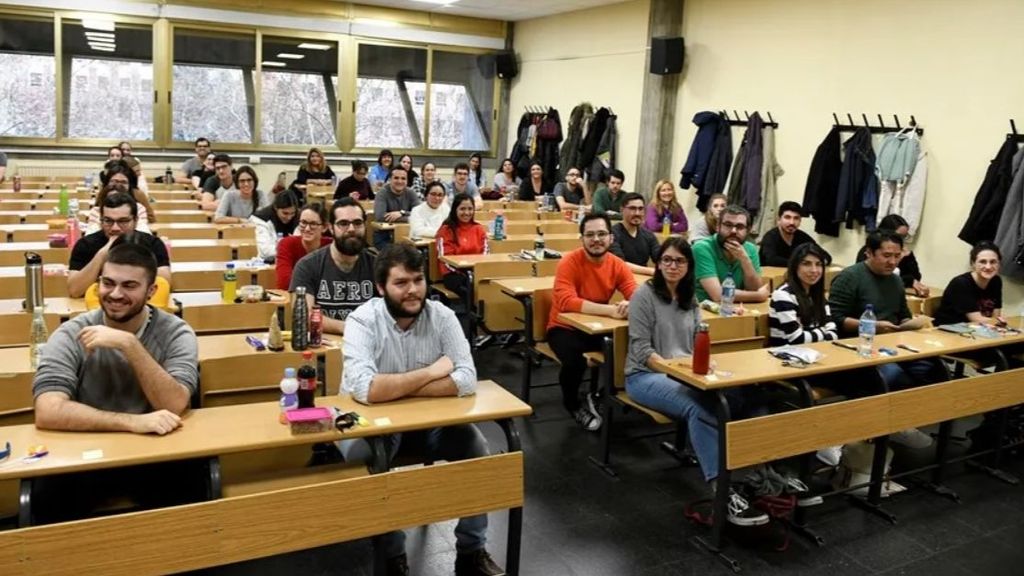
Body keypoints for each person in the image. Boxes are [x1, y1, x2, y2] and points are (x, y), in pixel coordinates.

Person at [341, 243, 505, 576]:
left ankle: (472, 550)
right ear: (381, 287)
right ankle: (392, 553)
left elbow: (467, 379)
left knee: (478, 448)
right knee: (371, 460)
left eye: (418, 280)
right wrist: (431, 372)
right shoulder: (361, 320)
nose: (413, 290)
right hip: (375, 427)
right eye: (401, 283)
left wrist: (396, 387)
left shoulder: (441, 316)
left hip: (429, 424)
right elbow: (366, 389)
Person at [31, 242, 201, 524]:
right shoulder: (71, 332)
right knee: (46, 501)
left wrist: (130, 346)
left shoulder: (176, 332)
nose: (115, 294)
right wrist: (132, 422)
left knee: (190, 493)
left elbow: (175, 404)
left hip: (154, 454)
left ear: (151, 291)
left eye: (129, 286)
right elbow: (47, 410)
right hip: (86, 453)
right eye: (107, 283)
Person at [624, 237, 770, 526]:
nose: (672, 266)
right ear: (658, 263)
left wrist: (707, 367)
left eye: (679, 261)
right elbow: (642, 350)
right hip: (645, 376)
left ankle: (761, 470)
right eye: (667, 260)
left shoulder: (690, 298)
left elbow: (696, 343)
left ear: (688, 265)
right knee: (699, 408)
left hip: (685, 373)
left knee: (748, 396)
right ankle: (722, 492)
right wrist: (676, 370)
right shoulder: (645, 295)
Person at [828, 230, 945, 447]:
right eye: (886, 255)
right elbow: (836, 319)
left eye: (897, 256)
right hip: (856, 346)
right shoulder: (850, 277)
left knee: (933, 368)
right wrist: (873, 325)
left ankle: (900, 420)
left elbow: (902, 315)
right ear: (869, 253)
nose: (892, 261)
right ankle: (883, 425)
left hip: (892, 342)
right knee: (892, 374)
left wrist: (912, 323)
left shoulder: (896, 281)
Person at [548, 213, 637, 431]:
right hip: (563, 327)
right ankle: (572, 404)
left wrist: (629, 303)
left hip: (596, 328)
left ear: (611, 238)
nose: (596, 239)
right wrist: (611, 311)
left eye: (601, 234)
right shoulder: (569, 262)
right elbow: (567, 302)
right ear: (582, 239)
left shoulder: (617, 264)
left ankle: (599, 394)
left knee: (632, 349)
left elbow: (636, 294)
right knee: (574, 361)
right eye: (590, 235)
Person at [289, 197, 376, 334]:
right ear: (330, 227)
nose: (351, 229)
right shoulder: (307, 266)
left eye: (358, 223)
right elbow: (303, 317)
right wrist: (352, 328)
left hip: (370, 345)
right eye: (343, 224)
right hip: (324, 347)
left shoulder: (378, 264)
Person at [70, 193, 171, 298]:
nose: (115, 228)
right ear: (100, 221)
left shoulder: (152, 243)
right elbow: (74, 291)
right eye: (108, 221)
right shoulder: (86, 244)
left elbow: (165, 284)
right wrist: (101, 255)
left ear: (135, 221)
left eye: (123, 221)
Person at [692, 205, 769, 303]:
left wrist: (745, 260)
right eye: (728, 225)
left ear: (748, 230)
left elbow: (754, 288)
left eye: (740, 227)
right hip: (705, 312)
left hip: (738, 310)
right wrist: (758, 296)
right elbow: (718, 295)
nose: (733, 231)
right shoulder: (701, 248)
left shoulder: (751, 249)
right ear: (717, 227)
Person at [768, 242, 838, 346]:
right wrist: (823, 331)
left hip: (817, 352)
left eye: (818, 264)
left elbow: (834, 333)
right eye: (806, 264)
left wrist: (814, 333)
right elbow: (797, 339)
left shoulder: (818, 295)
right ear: (795, 266)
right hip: (787, 357)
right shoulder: (782, 295)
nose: (814, 270)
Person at [856, 214, 929, 297]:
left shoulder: (901, 251)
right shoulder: (870, 251)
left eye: (904, 236)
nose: (901, 240)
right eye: (899, 236)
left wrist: (909, 257)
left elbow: (916, 278)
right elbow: (879, 279)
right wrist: (909, 280)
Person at [933, 241, 1003, 326]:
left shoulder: (996, 281)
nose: (988, 267)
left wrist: (998, 321)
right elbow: (977, 320)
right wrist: (998, 321)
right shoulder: (961, 283)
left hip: (978, 330)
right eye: (982, 262)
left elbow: (996, 315)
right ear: (973, 264)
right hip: (949, 331)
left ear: (999, 264)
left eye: (993, 262)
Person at [436, 193, 488, 302]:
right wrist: (465, 272)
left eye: (470, 209)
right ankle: (475, 316)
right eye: (462, 209)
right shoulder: (446, 229)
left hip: (476, 271)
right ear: (455, 209)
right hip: (453, 273)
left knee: (489, 286)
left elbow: (485, 254)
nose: (467, 213)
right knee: (470, 287)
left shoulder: (479, 228)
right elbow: (444, 259)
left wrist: (476, 271)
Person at [276, 202, 331, 290]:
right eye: (303, 223)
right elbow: (285, 283)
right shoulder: (287, 243)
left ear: (324, 227)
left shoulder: (331, 246)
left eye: (313, 224)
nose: (307, 229)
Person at [89, 160, 155, 234]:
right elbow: (91, 236)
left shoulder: (139, 208)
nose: (118, 185)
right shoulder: (96, 210)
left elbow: (144, 234)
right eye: (114, 182)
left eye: (123, 182)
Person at [610, 192, 659, 276]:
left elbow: (660, 258)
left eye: (640, 209)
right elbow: (620, 264)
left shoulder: (648, 235)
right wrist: (652, 271)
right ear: (622, 210)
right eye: (632, 208)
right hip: (620, 280)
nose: (637, 213)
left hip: (643, 281)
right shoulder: (612, 233)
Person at [373, 166, 420, 249]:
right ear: (390, 179)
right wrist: (409, 217)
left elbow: (419, 214)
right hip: (384, 236)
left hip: (407, 234)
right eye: (396, 178)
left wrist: (402, 213)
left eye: (403, 178)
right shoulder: (382, 193)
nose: (400, 181)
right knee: (397, 254)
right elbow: (380, 217)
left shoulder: (411, 193)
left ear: (407, 181)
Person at [758, 201, 815, 267]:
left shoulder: (802, 236)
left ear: (800, 221)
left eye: (796, 218)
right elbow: (771, 260)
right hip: (770, 275)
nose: (792, 222)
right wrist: (801, 263)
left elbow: (824, 255)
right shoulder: (770, 237)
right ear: (779, 219)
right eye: (787, 217)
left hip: (793, 275)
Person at [250, 190, 300, 261]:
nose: (289, 217)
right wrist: (290, 248)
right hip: (267, 262)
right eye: (285, 213)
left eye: (292, 213)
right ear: (276, 208)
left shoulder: (300, 217)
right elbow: (265, 251)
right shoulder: (261, 219)